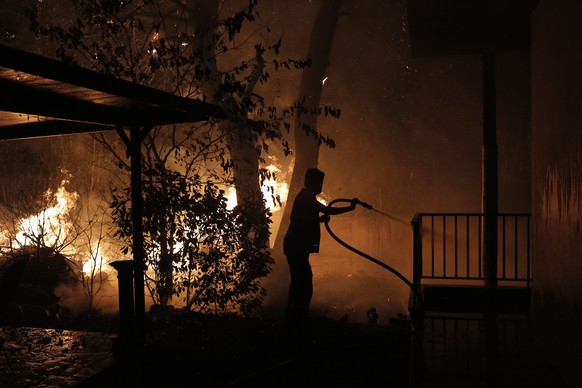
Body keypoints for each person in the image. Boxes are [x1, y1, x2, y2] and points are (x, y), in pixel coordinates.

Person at [283, 167, 359, 342]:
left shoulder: (306, 198)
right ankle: (297, 320)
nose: (321, 186)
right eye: (320, 182)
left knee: (299, 280)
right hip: (296, 246)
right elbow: (327, 211)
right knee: (302, 281)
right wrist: (351, 207)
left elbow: (303, 218)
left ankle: (294, 318)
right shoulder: (306, 198)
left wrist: (317, 220)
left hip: (296, 246)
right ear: (311, 182)